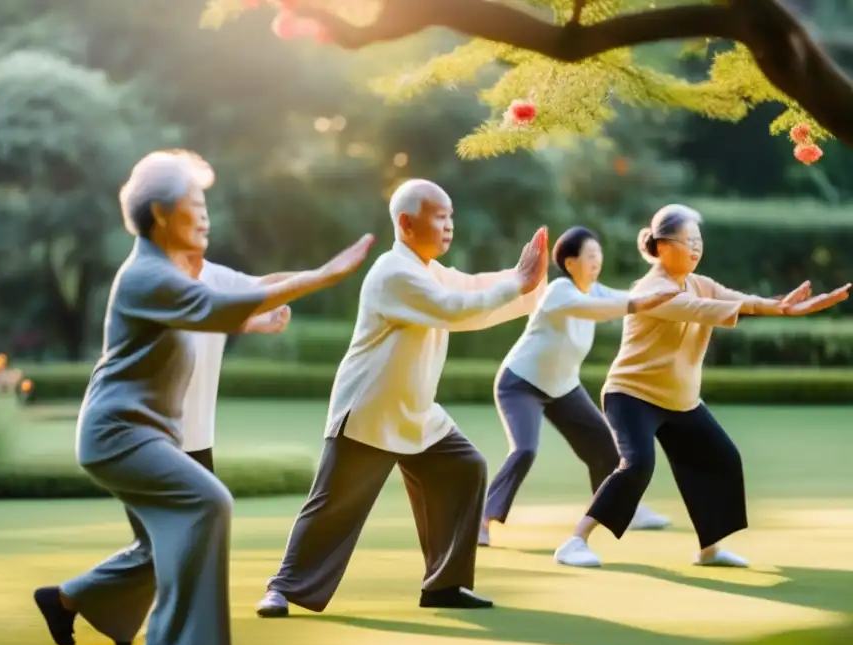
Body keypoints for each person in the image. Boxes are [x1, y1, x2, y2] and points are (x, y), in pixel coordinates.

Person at [32, 150, 375, 645]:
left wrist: (258, 319)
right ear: (163, 213)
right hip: (120, 434)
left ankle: (65, 601)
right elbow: (218, 308)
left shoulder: (171, 273)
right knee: (207, 502)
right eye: (195, 203)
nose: (206, 214)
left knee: (158, 545)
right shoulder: (148, 274)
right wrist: (323, 275)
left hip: (146, 434)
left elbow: (226, 305)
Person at [255, 179, 549, 619]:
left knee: (465, 468)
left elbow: (471, 292)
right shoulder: (394, 272)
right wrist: (520, 283)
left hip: (416, 412)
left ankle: (444, 584)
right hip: (370, 410)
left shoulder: (429, 270)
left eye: (451, 216)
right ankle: (281, 588)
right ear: (407, 223)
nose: (450, 226)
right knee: (331, 505)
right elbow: (453, 307)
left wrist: (529, 284)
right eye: (440, 217)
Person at [553, 204, 850, 568]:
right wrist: (774, 309)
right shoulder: (654, 290)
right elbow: (701, 309)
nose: (696, 247)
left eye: (698, 240)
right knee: (637, 465)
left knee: (721, 458)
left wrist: (782, 308)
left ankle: (709, 550)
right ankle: (575, 542)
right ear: (662, 247)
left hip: (681, 399)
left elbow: (732, 298)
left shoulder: (699, 282)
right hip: (632, 394)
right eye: (687, 240)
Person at [479, 227, 677, 548]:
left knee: (606, 451)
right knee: (525, 450)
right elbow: (601, 309)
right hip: (520, 384)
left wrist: (662, 295)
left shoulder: (595, 290)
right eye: (589, 256)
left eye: (598, 255)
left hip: (563, 388)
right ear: (570, 263)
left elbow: (623, 298)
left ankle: (626, 509)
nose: (596, 261)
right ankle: (482, 520)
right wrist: (639, 303)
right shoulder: (559, 291)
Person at [178, 257, 294, 473]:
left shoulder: (211, 273)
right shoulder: (147, 277)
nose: (202, 224)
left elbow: (263, 287)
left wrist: (257, 322)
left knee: (210, 506)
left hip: (196, 439)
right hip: (152, 440)